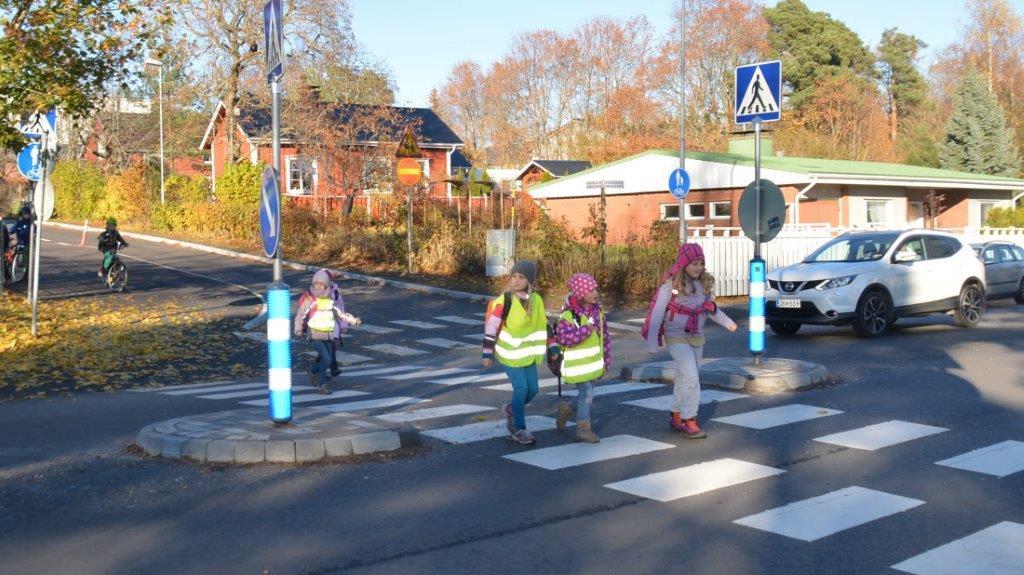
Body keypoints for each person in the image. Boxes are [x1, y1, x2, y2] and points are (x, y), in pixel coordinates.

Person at [644, 243, 737, 439]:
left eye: (701, 263)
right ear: (684, 263)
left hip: (696, 336)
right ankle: (689, 419)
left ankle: (676, 414)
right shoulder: (671, 286)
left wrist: (728, 323)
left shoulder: (703, 286)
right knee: (692, 377)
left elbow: (711, 309)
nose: (698, 267)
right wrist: (652, 341)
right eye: (694, 263)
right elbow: (657, 313)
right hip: (676, 336)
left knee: (684, 377)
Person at [482, 260, 555, 445]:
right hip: (509, 354)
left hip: (528, 354)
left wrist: (553, 347)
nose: (515, 280)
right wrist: (487, 354)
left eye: (521, 277)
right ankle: (519, 429)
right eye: (513, 276)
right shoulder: (504, 300)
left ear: (529, 281)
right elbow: (491, 328)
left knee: (533, 390)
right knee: (521, 389)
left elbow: (543, 325)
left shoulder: (536, 300)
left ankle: (512, 410)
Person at [554, 273, 610, 443]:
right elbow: (564, 339)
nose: (595, 292)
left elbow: (604, 337)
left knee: (585, 394)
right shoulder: (569, 316)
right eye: (591, 290)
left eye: (596, 289)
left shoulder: (598, 312)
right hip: (577, 365)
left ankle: (566, 408)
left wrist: (606, 359)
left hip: (593, 364)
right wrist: (585, 329)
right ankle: (583, 429)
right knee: (587, 393)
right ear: (580, 293)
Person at [294, 269, 361, 394]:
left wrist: (352, 320)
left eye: (321, 284)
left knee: (327, 359)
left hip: (328, 333)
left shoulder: (330, 298)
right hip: (315, 334)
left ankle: (313, 370)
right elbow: (300, 314)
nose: (318, 286)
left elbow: (340, 313)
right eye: (316, 284)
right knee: (326, 359)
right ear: (313, 284)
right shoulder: (310, 299)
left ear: (327, 284)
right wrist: (298, 328)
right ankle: (321, 384)